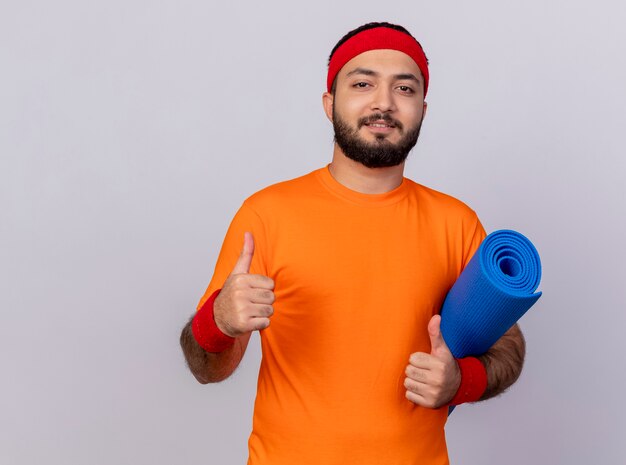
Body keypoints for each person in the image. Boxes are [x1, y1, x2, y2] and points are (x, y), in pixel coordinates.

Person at [180, 22, 526, 465]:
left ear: (422, 107)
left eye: (404, 88)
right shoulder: (266, 214)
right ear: (329, 104)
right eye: (362, 83)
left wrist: (462, 381)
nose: (383, 102)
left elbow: (508, 348)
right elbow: (208, 368)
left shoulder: (456, 223)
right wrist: (221, 320)